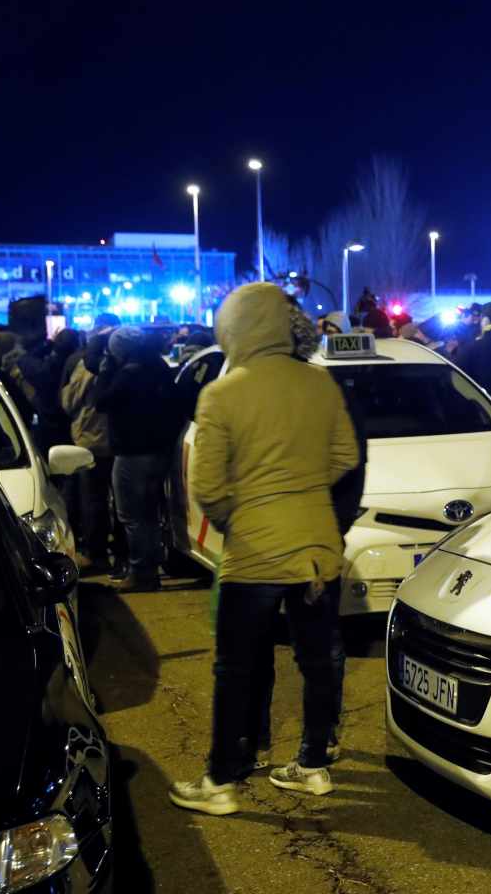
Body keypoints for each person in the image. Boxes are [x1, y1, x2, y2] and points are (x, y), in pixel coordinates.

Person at [170, 283, 359, 815]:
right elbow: (345, 455)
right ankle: (313, 765)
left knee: (237, 667)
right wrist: (300, 490)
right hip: (316, 548)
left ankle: (222, 780)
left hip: (253, 550)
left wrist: (245, 512)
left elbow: (205, 487)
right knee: (317, 660)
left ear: (233, 328)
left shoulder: (223, 394)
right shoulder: (319, 383)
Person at [94, 326, 178, 590]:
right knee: (149, 513)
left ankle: (141, 572)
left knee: (132, 515)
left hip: (133, 452)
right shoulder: (158, 366)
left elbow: (101, 401)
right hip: (159, 450)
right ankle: (149, 568)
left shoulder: (128, 374)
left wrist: (106, 371)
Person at [59, 331, 115, 571]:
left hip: (90, 439)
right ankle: (117, 554)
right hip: (115, 440)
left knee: (92, 499)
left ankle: (95, 553)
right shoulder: (118, 365)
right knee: (112, 501)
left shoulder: (86, 368)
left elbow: (68, 402)